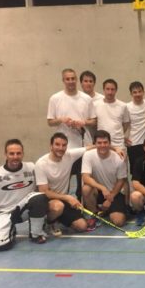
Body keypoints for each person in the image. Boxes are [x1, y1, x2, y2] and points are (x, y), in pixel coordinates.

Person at [0, 139, 48, 251]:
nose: (15, 157)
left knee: (39, 197)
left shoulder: (32, 168)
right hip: (4, 213)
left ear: (23, 154)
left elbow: (42, 187)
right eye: (11, 154)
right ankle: (10, 230)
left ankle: (36, 233)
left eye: (18, 153)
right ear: (5, 154)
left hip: (23, 209)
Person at [47, 68, 97, 200]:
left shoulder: (86, 98)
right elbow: (50, 122)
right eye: (68, 79)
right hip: (63, 147)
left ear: (76, 80)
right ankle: (64, 204)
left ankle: (82, 205)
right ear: (63, 80)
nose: (71, 81)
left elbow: (93, 121)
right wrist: (62, 120)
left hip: (83, 145)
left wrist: (83, 122)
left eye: (73, 78)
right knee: (64, 180)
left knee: (83, 180)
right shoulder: (55, 98)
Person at [35, 132, 90, 233]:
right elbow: (44, 192)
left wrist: (115, 148)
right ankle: (48, 222)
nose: (61, 148)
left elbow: (91, 147)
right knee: (58, 207)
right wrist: (67, 198)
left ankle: (59, 217)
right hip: (47, 201)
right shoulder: (41, 164)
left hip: (63, 199)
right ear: (51, 146)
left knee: (82, 226)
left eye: (64, 145)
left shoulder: (69, 155)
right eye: (57, 144)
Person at [81, 130, 128, 227]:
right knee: (86, 189)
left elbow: (121, 181)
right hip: (98, 192)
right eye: (99, 143)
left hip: (114, 192)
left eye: (105, 142)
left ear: (110, 143)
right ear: (94, 144)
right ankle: (94, 214)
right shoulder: (88, 155)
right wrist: (102, 188)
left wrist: (110, 199)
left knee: (118, 221)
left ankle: (109, 210)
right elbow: (85, 177)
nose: (102, 145)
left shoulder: (119, 158)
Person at [126, 81, 145, 175]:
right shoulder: (127, 107)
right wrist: (122, 137)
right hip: (133, 144)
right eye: (135, 92)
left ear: (143, 92)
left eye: (139, 91)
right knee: (136, 173)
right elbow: (119, 124)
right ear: (131, 94)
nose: (138, 94)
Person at [94, 79, 130, 151]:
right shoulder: (95, 105)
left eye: (112, 89)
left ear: (116, 90)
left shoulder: (123, 105)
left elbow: (126, 123)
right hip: (102, 143)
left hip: (118, 143)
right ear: (104, 90)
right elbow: (94, 122)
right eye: (107, 89)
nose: (110, 92)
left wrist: (117, 133)